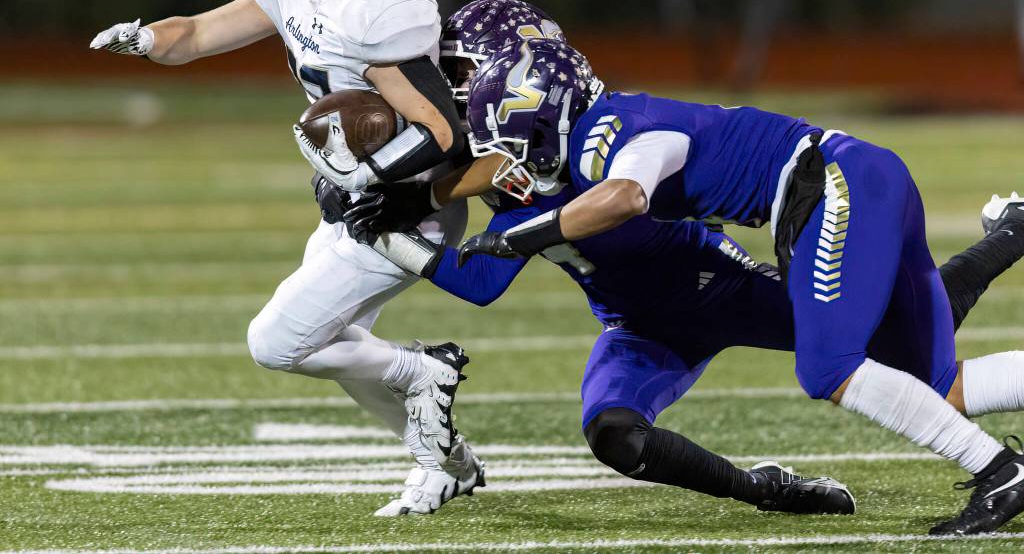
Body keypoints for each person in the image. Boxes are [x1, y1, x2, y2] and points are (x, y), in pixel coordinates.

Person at [349, 35, 1024, 534]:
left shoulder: (608, 132)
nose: (497, 154)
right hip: (654, 314)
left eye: (472, 86)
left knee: (834, 364)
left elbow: (624, 196)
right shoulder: (550, 161)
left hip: (810, 198)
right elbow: (481, 273)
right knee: (933, 383)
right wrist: (384, 220)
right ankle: (769, 489)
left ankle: (1003, 471)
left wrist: (518, 231)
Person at [89, 0, 481, 516]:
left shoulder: (385, 4)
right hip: (355, 195)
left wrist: (363, 175)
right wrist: (147, 40)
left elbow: (440, 131)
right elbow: (199, 33)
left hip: (407, 205)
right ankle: (447, 463)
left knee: (278, 341)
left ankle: (426, 370)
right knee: (336, 343)